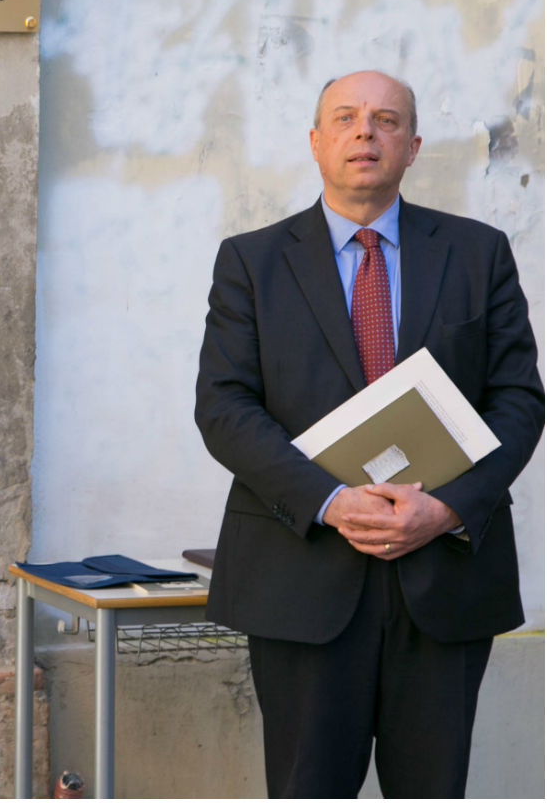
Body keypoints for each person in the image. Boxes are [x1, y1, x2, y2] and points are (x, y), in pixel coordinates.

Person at [194, 70, 543, 797]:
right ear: (316, 143)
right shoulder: (252, 263)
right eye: (346, 118)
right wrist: (328, 499)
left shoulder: (478, 254)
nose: (365, 133)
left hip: (443, 581)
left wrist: (448, 507)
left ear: (412, 147)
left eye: (386, 120)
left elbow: (517, 400)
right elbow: (225, 407)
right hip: (303, 576)